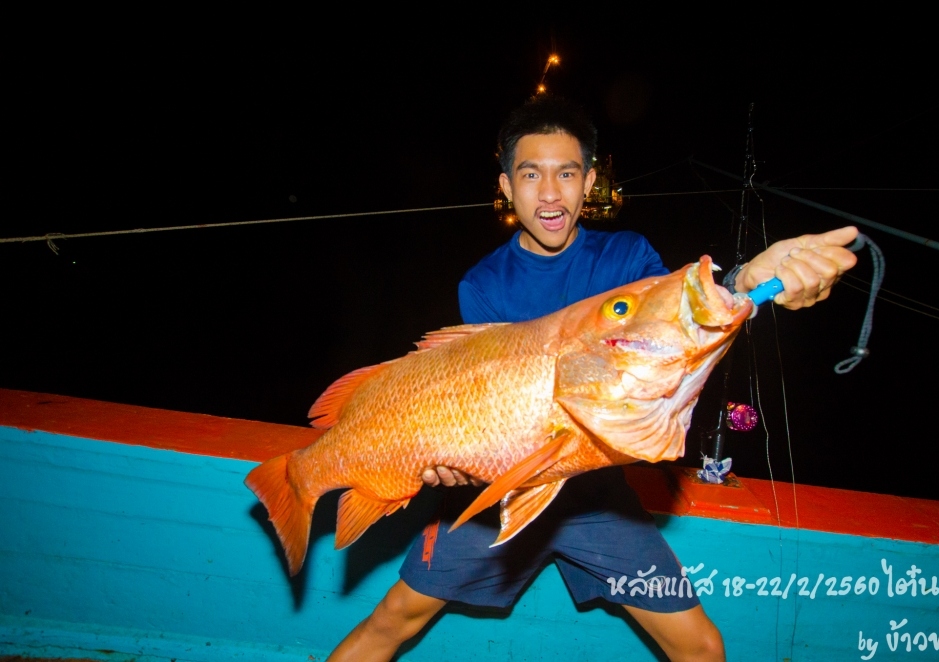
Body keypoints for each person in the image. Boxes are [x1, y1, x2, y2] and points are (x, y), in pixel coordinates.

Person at [327, 97, 858, 662]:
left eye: (567, 173)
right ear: (506, 186)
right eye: (531, 174)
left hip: (599, 500)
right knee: (392, 620)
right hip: (503, 490)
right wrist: (444, 464)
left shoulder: (626, 258)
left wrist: (748, 281)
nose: (550, 193)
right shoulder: (482, 284)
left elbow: (675, 318)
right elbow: (476, 414)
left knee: (702, 647)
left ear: (590, 182)